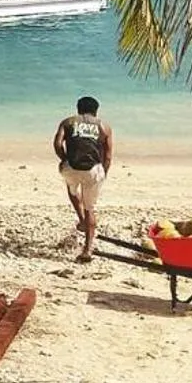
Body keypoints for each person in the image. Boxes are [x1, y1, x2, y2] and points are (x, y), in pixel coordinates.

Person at [53, 95, 114, 263]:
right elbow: (108, 155)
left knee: (72, 188)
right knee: (90, 208)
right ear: (96, 111)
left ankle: (81, 220)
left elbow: (58, 144)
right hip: (93, 170)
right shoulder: (104, 126)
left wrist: (64, 159)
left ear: (78, 109)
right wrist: (104, 173)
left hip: (71, 168)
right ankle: (87, 249)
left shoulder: (68, 122)